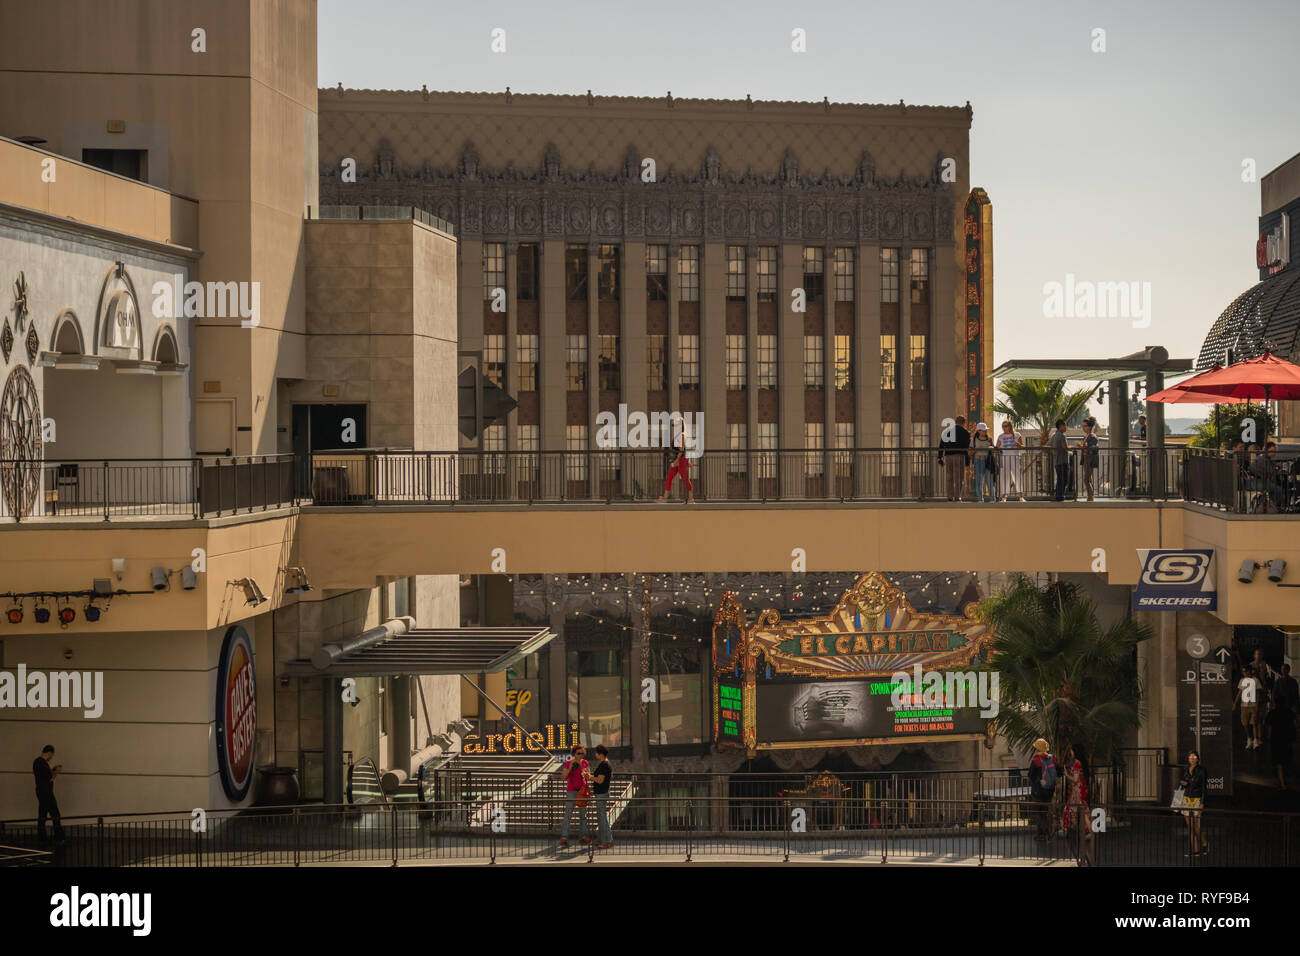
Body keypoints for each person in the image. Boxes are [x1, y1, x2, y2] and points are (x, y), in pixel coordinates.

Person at [1061, 742, 1093, 865]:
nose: (1070, 753)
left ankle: (1087, 829)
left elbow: (1075, 779)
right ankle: (1088, 830)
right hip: (1081, 788)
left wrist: (1066, 775)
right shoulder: (1082, 762)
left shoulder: (1077, 763)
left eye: (1072, 750)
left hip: (1077, 790)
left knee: (1074, 808)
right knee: (1082, 808)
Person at [558, 743, 590, 846]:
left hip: (582, 791)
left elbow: (589, 776)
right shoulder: (568, 763)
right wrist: (571, 767)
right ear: (574, 753)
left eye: (582, 753)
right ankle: (564, 837)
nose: (580, 755)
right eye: (578, 753)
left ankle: (583, 836)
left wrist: (585, 774)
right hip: (571, 791)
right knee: (568, 814)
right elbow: (563, 777)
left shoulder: (585, 763)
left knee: (583, 815)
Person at [1027, 738, 1058, 842]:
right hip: (1050, 790)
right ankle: (1042, 833)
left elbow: (1030, 775)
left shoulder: (1036, 760)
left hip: (1038, 790)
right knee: (1045, 811)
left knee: (1037, 812)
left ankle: (1046, 833)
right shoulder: (1052, 758)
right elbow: (1058, 771)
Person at [1178, 751, 1207, 857]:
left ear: (1198, 759)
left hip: (1196, 799)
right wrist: (1184, 783)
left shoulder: (1202, 770)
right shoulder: (1186, 769)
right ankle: (1195, 850)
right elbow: (1183, 782)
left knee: (1194, 825)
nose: (1192, 758)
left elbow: (1204, 787)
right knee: (1189, 826)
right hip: (1186, 798)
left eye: (1194, 756)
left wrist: (1202, 802)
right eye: (1190, 756)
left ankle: (1205, 843)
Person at [33, 745, 63, 847]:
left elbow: (45, 775)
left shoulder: (37, 762)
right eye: (52, 755)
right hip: (47, 793)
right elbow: (49, 778)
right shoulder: (42, 763)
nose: (51, 757)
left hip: (41, 792)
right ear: (49, 753)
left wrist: (52, 770)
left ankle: (42, 839)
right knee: (55, 815)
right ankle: (59, 838)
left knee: (42, 815)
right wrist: (56, 772)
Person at [658, 422, 695, 504]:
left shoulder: (681, 435)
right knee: (669, 478)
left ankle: (691, 499)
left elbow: (682, 449)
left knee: (685, 479)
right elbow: (682, 449)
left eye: (676, 426)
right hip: (678, 460)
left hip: (680, 461)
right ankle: (664, 499)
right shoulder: (677, 435)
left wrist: (677, 461)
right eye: (674, 426)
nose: (675, 427)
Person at [939, 415, 971, 501]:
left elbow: (941, 445)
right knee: (959, 478)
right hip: (960, 456)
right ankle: (957, 497)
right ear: (964, 423)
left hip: (948, 456)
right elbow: (966, 448)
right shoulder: (966, 433)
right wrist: (967, 462)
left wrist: (940, 457)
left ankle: (950, 496)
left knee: (949, 477)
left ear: (955, 422)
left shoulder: (947, 431)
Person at [1249, 441, 1286, 512]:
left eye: (1275, 451)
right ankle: (1275, 507)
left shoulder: (1264, 458)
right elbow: (1271, 474)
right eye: (1272, 451)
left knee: (1276, 487)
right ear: (1266, 450)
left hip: (1257, 481)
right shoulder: (1263, 459)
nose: (1274, 453)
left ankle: (1272, 505)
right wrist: (1278, 469)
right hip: (1257, 482)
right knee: (1279, 490)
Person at [1267, 699, 1296, 790]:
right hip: (1286, 739)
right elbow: (1295, 724)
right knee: (1286, 760)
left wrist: (1268, 737)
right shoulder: (1289, 712)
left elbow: (1268, 727)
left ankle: (1282, 782)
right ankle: (1285, 781)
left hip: (1276, 739)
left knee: (1279, 762)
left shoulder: (1272, 713)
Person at [589, 744, 614, 848]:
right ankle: (601, 839)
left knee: (602, 818)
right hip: (602, 792)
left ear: (600, 754)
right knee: (600, 817)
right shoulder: (606, 764)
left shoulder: (604, 765)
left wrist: (589, 777)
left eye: (596, 753)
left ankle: (608, 841)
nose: (595, 754)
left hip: (601, 793)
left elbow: (600, 780)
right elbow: (608, 777)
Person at [1235, 664, 1263, 751]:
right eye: (1243, 671)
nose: (1244, 673)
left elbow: (1258, 694)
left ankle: (1255, 741)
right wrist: (1235, 703)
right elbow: (1240, 692)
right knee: (1245, 724)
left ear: (1249, 671)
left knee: (1254, 723)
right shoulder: (1242, 680)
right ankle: (1249, 738)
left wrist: (1257, 705)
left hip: (1253, 705)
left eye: (1245, 671)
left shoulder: (1256, 680)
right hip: (1244, 705)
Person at [996, 420, 1024, 501]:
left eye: (1006, 426)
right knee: (1004, 477)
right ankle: (1004, 497)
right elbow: (997, 447)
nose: (1004, 428)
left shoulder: (1017, 435)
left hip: (1015, 457)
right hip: (1004, 458)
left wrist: (1018, 445)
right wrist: (998, 448)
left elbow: (1022, 447)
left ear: (1010, 426)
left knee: (1017, 476)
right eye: (1003, 426)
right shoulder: (1000, 436)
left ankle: (1021, 497)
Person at [1073, 418, 1099, 501]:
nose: (1083, 428)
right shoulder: (1087, 436)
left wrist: (1082, 446)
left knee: (1086, 479)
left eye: (1085, 426)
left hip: (1089, 460)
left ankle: (1090, 496)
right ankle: (1090, 496)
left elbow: (1092, 448)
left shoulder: (1092, 437)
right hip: (1086, 459)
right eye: (1082, 426)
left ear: (1090, 427)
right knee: (1088, 479)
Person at [970, 423, 996, 503]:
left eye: (985, 430)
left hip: (988, 461)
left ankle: (992, 499)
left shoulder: (989, 439)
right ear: (979, 431)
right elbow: (970, 452)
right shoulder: (973, 440)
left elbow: (994, 449)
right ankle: (980, 499)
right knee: (979, 481)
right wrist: (976, 449)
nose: (985, 431)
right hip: (978, 461)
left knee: (989, 481)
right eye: (983, 430)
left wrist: (991, 448)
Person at [1048, 419, 1070, 501]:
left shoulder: (1053, 435)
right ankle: (1060, 496)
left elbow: (1049, 447)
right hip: (1063, 461)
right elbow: (1065, 447)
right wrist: (1071, 448)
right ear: (1061, 426)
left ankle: (1058, 496)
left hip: (1056, 461)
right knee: (1064, 480)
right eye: (1065, 425)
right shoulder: (1062, 435)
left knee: (1059, 479)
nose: (1066, 427)